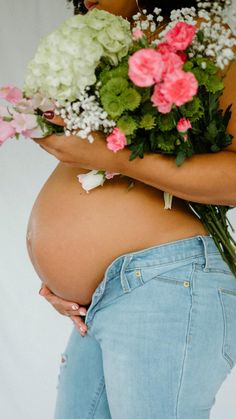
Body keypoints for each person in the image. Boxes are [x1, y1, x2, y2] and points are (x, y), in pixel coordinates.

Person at [26, 0, 236, 418]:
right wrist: (69, 277)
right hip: (104, 301)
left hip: (165, 285)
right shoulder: (108, 47)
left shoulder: (199, 36)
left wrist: (117, 159)